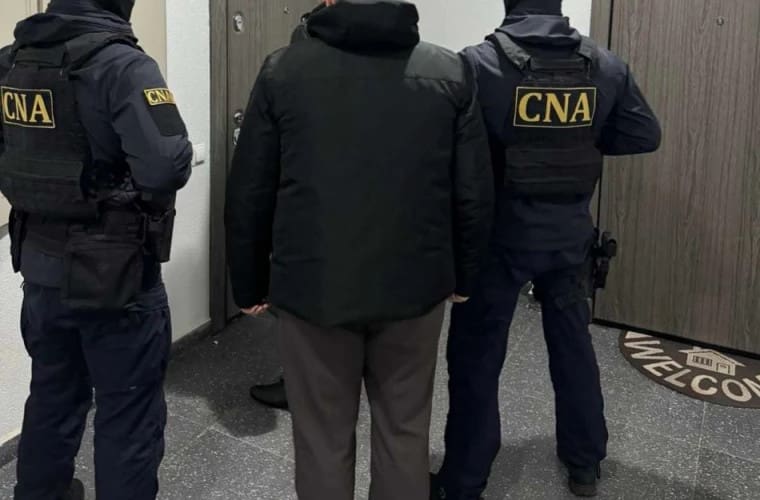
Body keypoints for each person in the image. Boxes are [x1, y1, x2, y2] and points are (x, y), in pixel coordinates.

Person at [225, 0, 494, 498]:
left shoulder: (284, 70)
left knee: (321, 438)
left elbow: (250, 190)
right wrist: (465, 276)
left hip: (314, 289)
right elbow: (473, 192)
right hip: (416, 288)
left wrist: (248, 283)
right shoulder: (450, 71)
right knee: (405, 432)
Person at [432, 0, 662, 498]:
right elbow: (644, 134)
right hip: (569, 238)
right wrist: (583, 138)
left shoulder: (477, 63)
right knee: (573, 346)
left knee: (476, 359)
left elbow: (448, 148)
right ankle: (584, 464)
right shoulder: (604, 65)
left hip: (499, 240)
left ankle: (464, 480)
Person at [0, 0, 192, 499]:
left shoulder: (12, 60)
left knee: (52, 396)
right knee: (128, 413)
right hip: (115, 276)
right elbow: (167, 167)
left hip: (40, 269)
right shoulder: (123, 64)